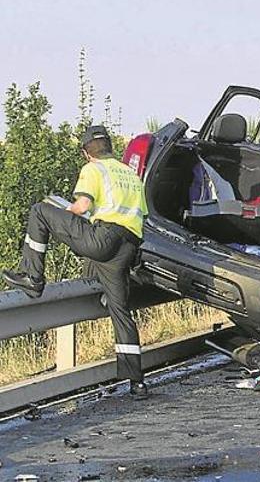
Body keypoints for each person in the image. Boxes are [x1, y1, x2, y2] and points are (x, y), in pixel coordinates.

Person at [2, 125, 151, 399]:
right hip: (125, 248)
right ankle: (137, 382)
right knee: (121, 312)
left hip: (102, 239)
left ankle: (32, 277)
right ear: (110, 147)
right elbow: (140, 216)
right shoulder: (130, 174)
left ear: (86, 153)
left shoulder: (94, 169)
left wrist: (64, 212)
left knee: (40, 211)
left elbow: (82, 207)